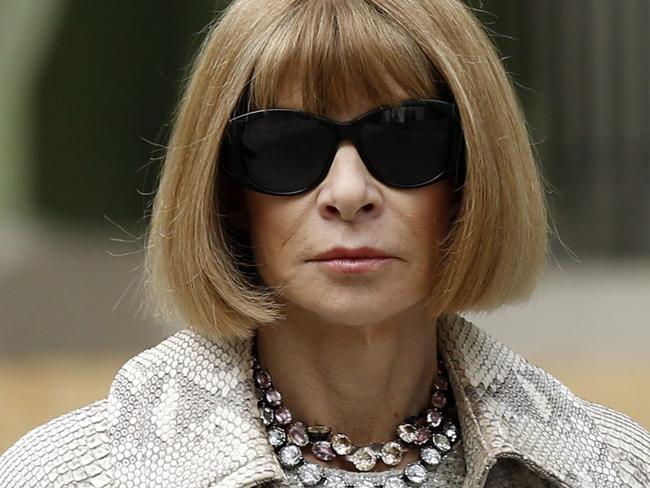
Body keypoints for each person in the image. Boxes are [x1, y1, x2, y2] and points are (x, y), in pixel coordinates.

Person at [1, 0, 649, 486]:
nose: (348, 191)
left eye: (404, 138)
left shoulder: (613, 469)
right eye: (286, 147)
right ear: (228, 192)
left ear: (470, 176)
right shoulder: (71, 476)